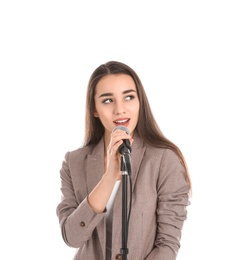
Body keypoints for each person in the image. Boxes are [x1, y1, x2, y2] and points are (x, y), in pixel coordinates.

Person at [56, 60, 191, 260]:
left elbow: (167, 244)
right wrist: (110, 176)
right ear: (94, 109)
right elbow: (72, 237)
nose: (120, 109)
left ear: (139, 102)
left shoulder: (164, 160)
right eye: (107, 100)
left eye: (128, 97)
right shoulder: (74, 162)